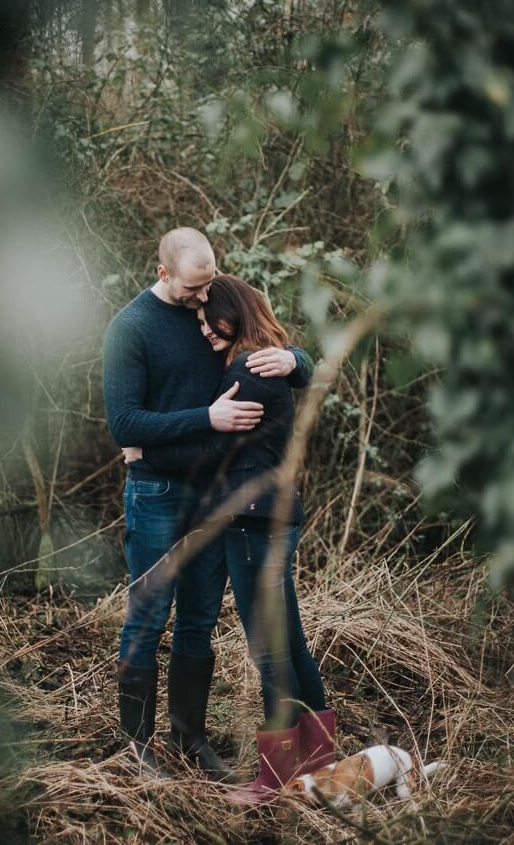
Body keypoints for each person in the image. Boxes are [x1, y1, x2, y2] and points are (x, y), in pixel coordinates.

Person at [102, 229, 314, 778]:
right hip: (156, 490)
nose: (204, 300)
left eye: (210, 284)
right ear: (163, 273)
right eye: (195, 288)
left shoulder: (214, 314)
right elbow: (123, 423)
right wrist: (206, 418)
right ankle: (137, 748)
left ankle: (190, 738)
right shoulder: (130, 329)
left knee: (198, 619)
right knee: (148, 617)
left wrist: (295, 360)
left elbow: (260, 339)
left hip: (217, 494)